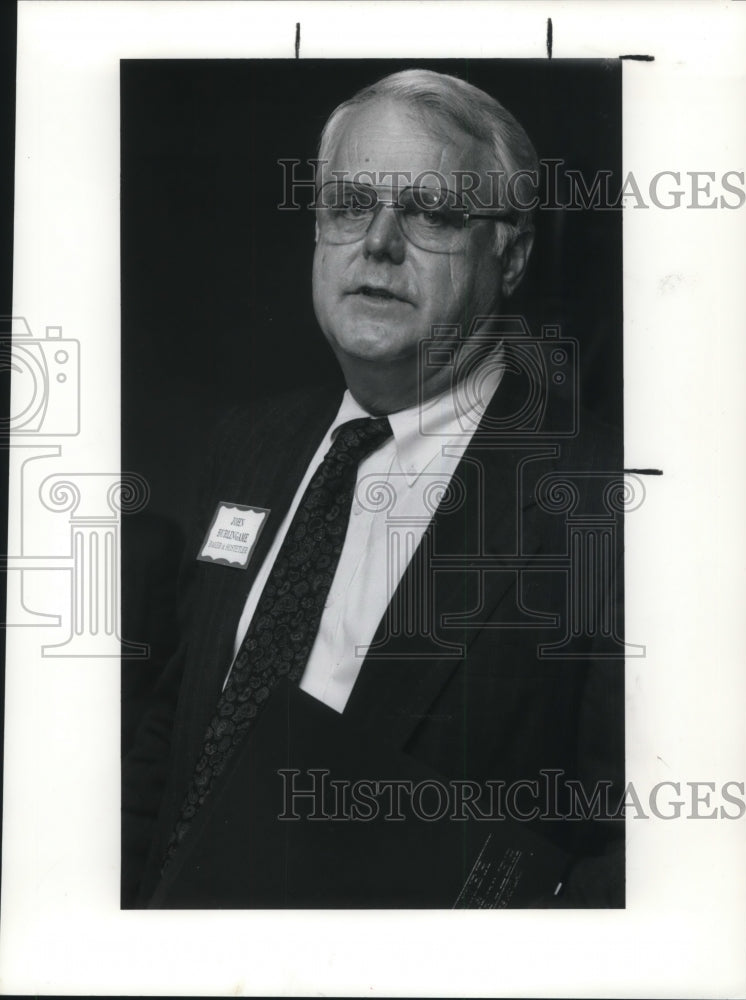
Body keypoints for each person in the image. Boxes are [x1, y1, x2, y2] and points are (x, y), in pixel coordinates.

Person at [122, 69, 625, 909]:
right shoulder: (247, 447)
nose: (378, 243)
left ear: (511, 255)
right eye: (348, 203)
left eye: (431, 212)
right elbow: (175, 733)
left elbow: (639, 858)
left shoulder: (601, 500)